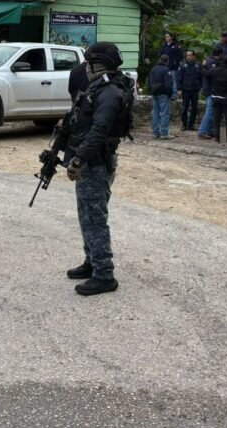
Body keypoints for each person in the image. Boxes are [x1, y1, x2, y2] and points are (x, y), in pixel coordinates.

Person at [63, 42, 133, 296]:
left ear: (98, 65)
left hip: (96, 162)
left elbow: (99, 130)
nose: (85, 68)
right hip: (92, 160)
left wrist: (79, 158)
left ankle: (104, 273)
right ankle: (91, 261)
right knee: (86, 214)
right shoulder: (100, 87)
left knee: (94, 217)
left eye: (89, 63)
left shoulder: (110, 92)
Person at [196, 46, 223, 140]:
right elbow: (211, 74)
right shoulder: (212, 62)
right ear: (220, 54)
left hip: (208, 88)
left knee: (212, 111)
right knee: (210, 110)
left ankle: (210, 130)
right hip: (210, 89)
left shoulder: (208, 61)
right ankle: (202, 131)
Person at [148, 55, 174, 139]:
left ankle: (156, 132)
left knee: (155, 113)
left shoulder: (153, 69)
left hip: (154, 93)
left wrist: (151, 90)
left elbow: (149, 81)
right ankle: (164, 133)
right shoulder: (166, 70)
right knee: (165, 113)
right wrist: (170, 94)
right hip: (163, 93)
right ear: (167, 61)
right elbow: (168, 84)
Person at [177, 50, 202, 131]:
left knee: (194, 108)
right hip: (186, 90)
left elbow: (201, 77)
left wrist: (201, 87)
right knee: (185, 107)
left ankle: (191, 125)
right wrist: (179, 89)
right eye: (187, 55)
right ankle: (184, 124)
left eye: (190, 55)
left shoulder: (198, 65)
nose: (188, 57)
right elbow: (179, 78)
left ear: (194, 56)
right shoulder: (183, 65)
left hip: (195, 90)